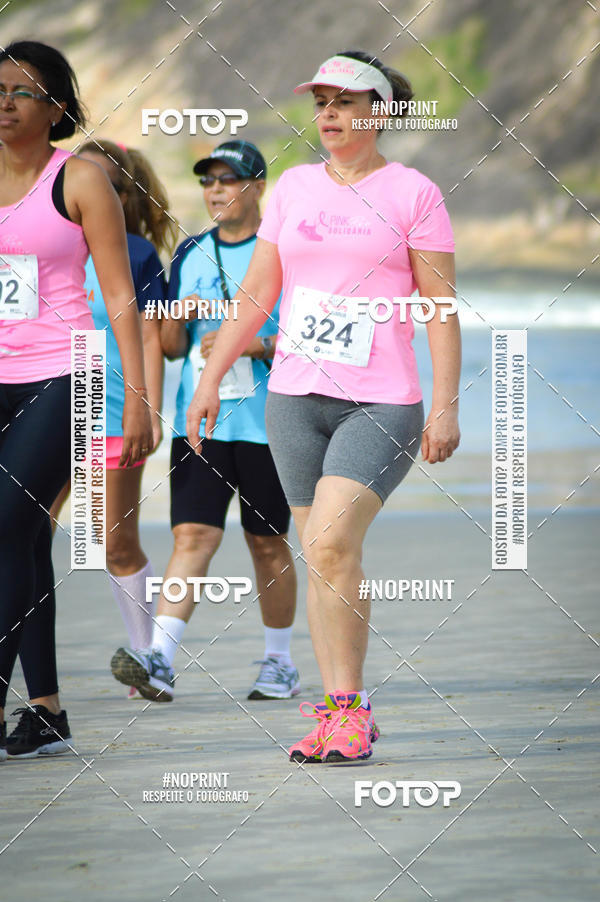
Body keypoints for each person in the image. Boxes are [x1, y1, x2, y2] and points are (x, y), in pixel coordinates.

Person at [185, 52, 461, 762]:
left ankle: (349, 708)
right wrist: (211, 377)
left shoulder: (414, 192)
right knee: (322, 557)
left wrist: (445, 406)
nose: (329, 115)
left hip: (380, 401)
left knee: (334, 544)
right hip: (292, 400)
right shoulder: (296, 188)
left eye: (346, 102)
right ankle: (344, 712)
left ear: (382, 111)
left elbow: (438, 309)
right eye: (322, 102)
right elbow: (257, 295)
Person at [0, 41, 153, 759]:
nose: (4, 102)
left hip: (66, 373)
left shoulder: (81, 178)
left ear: (57, 108)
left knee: (4, 526)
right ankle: (47, 713)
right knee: (22, 540)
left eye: (22, 91)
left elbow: (121, 295)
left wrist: (140, 400)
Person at [110, 141, 299, 703]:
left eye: (229, 180)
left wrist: (256, 344)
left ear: (258, 186)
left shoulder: (284, 251)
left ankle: (279, 662)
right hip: (203, 424)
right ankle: (161, 661)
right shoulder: (191, 253)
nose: (216, 190)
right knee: (191, 536)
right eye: (208, 181)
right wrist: (180, 316)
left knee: (267, 545)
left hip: (269, 425)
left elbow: (311, 337)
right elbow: (168, 347)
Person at [48, 139, 176, 699]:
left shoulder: (135, 253)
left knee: (114, 542)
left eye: (105, 185)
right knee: (25, 533)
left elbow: (151, 336)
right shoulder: (46, 247)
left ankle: (147, 659)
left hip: (115, 410)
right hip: (49, 404)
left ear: (122, 195)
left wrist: (148, 409)